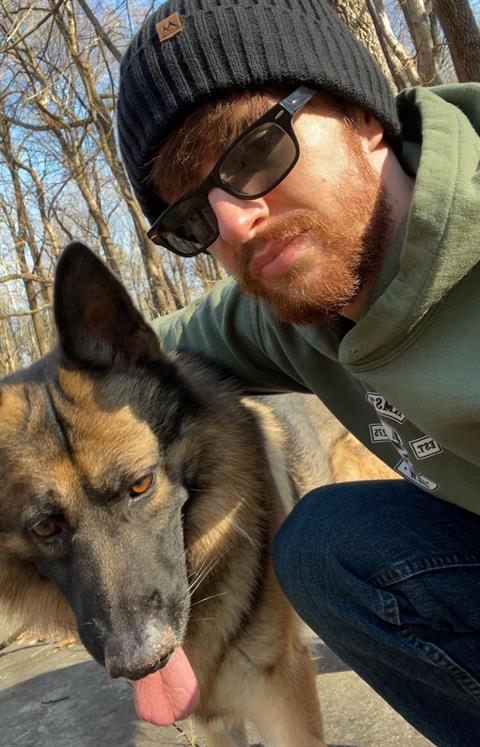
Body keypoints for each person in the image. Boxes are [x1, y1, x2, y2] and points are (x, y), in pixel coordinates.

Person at [117, 1, 480, 744]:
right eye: (193, 218)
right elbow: (131, 357)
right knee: (325, 543)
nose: (233, 222)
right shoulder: (292, 307)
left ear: (363, 115)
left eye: (255, 153)